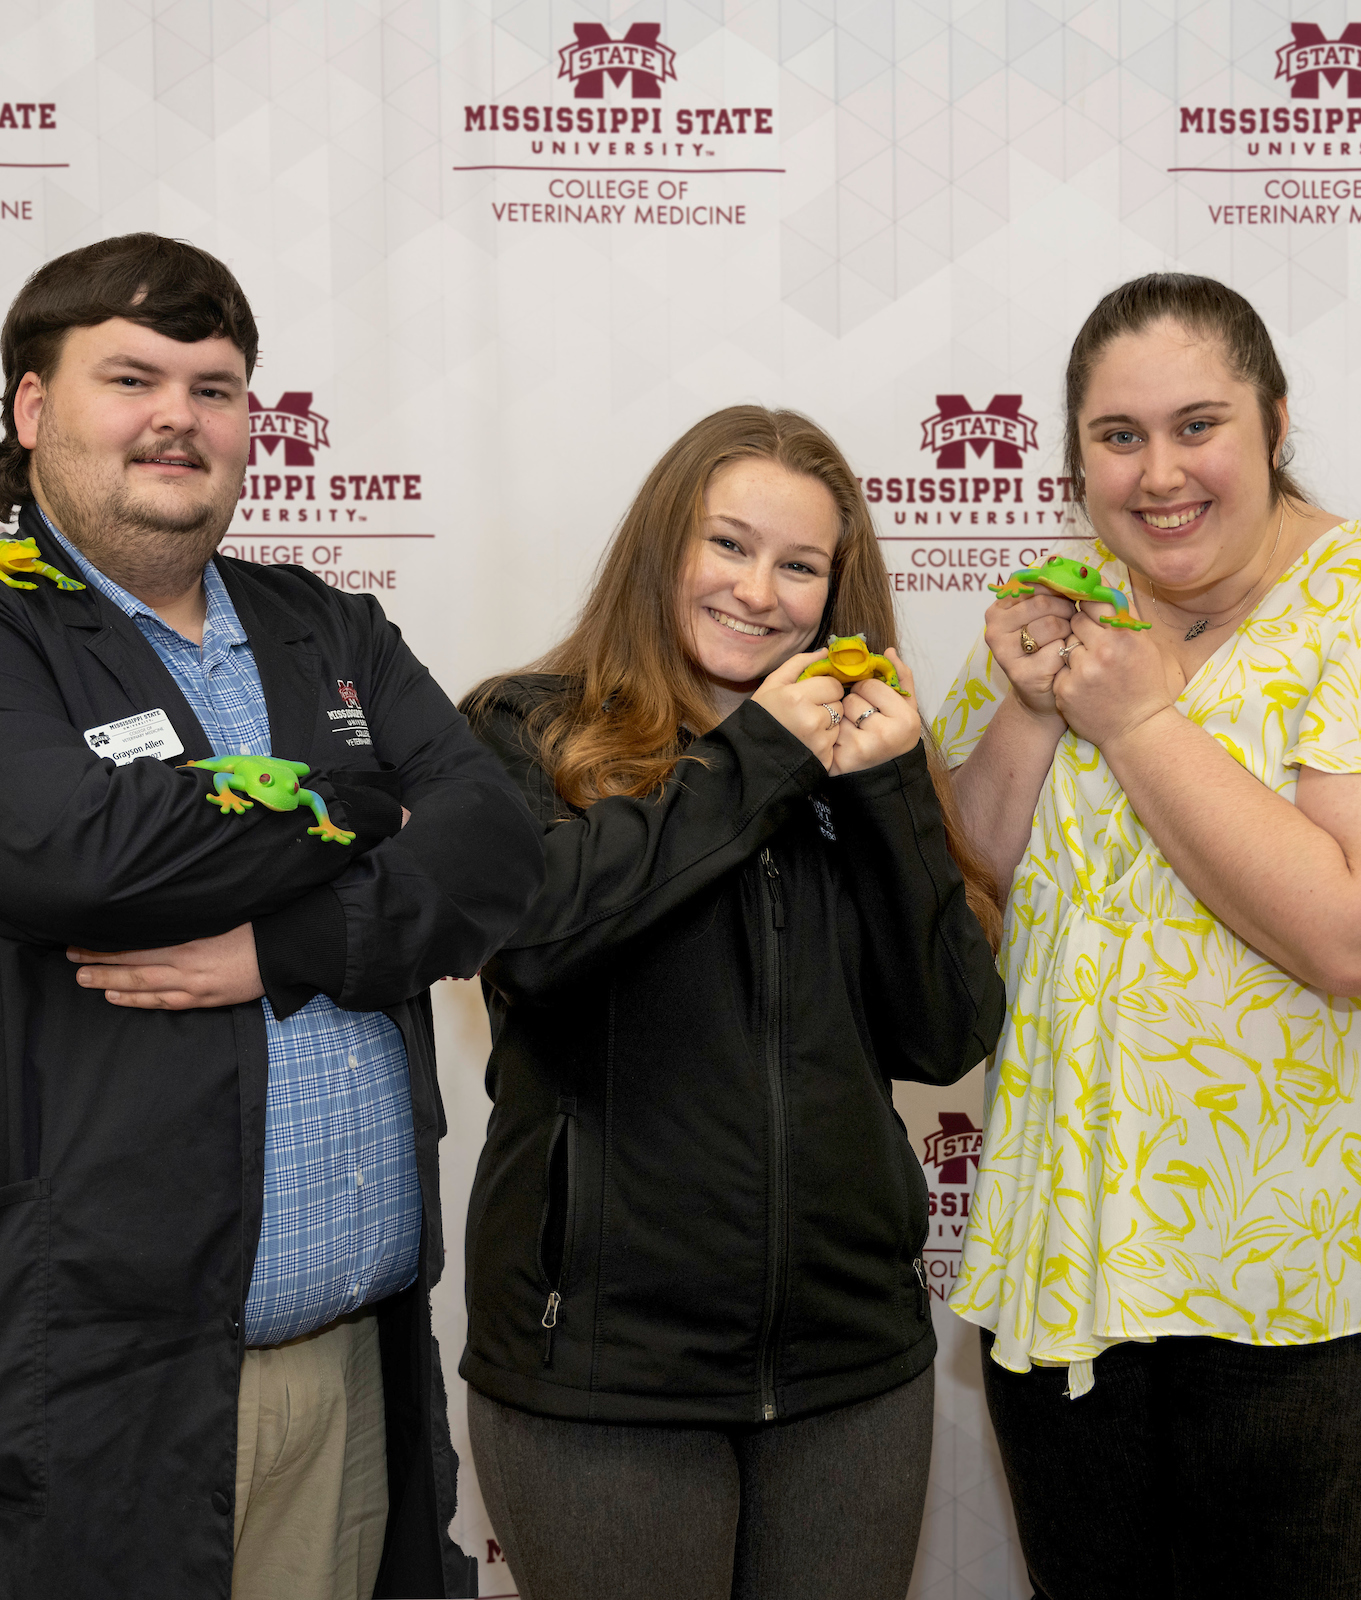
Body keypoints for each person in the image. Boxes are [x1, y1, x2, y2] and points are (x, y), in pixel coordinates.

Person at [0, 233, 542, 1599]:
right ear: (32, 410)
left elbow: (497, 844)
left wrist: (285, 947)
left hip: (336, 1376)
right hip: (56, 1389)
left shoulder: (324, 625)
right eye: (132, 376)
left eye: (216, 387)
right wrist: (361, 798)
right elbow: (85, 856)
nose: (178, 417)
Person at [932, 272, 1361, 1598]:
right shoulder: (1065, 602)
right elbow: (961, 896)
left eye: (1198, 424)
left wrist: (1144, 725)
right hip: (1067, 1284)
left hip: (1315, 1300)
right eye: (1118, 436)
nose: (1160, 475)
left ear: (1272, 420)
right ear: (1074, 452)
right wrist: (1034, 710)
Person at [456, 405, 1007, 1600]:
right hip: (603, 1378)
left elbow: (945, 1031)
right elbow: (537, 942)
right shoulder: (524, 729)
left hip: (850, 1372)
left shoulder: (851, 763)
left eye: (800, 565)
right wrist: (756, 757)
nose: (761, 592)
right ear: (664, 548)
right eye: (730, 545)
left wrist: (895, 788)